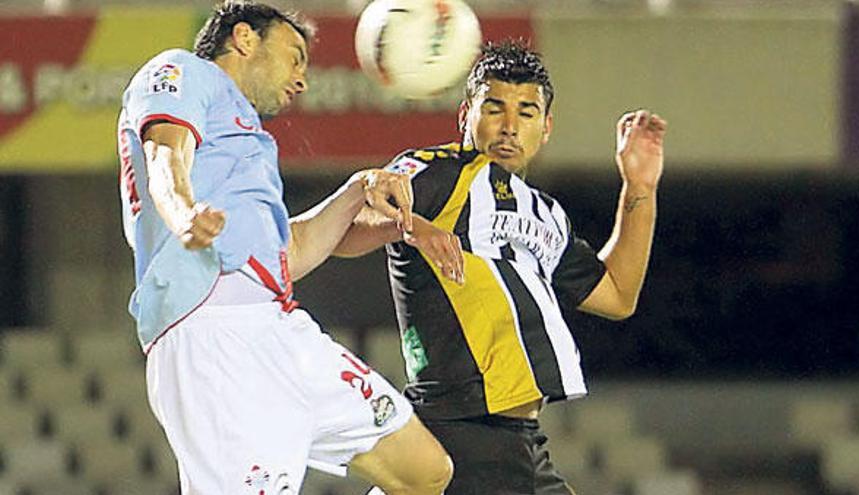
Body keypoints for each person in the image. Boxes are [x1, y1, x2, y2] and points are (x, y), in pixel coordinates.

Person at [116, 2, 456, 493]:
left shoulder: (251, 143)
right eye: (295, 57)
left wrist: (359, 191)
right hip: (213, 334)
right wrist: (183, 212)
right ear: (244, 38)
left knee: (423, 471)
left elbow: (291, 251)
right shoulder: (181, 71)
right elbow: (165, 154)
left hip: (282, 329)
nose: (302, 80)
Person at [334, 41, 667, 494]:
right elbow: (347, 227)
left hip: (519, 442)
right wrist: (410, 227)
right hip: (463, 425)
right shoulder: (439, 172)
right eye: (494, 109)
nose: (510, 127)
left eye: (527, 113)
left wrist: (638, 187)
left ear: (546, 127)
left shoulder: (547, 214)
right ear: (465, 115)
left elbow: (617, 295)